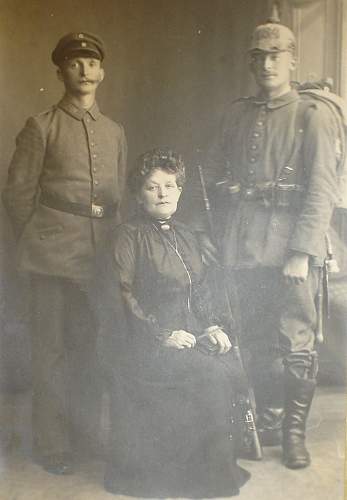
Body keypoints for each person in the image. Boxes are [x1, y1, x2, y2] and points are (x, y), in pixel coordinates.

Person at [198, 16, 339, 469]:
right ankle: (268, 420)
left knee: (296, 343)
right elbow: (211, 176)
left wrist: (301, 251)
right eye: (258, 57)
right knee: (253, 338)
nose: (266, 65)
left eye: (275, 56)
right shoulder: (237, 114)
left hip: (291, 247)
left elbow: (322, 190)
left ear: (292, 60)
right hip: (242, 246)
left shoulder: (310, 115)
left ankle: (295, 436)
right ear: (250, 63)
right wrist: (214, 228)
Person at [2, 32, 127, 474]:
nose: (84, 70)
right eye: (74, 63)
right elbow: (17, 196)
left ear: (102, 72)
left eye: (92, 63)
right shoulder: (42, 126)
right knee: (50, 351)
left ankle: (87, 434)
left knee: (90, 348)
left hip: (98, 258)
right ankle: (52, 444)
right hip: (50, 257)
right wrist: (39, 240)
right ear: (60, 72)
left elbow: (119, 196)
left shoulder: (114, 132)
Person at [96, 148, 250, 498]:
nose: (163, 193)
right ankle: (194, 481)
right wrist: (161, 335)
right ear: (138, 194)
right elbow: (119, 297)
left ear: (180, 191)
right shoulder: (127, 236)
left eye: (170, 185)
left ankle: (203, 472)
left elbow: (200, 290)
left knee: (229, 366)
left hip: (189, 337)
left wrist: (211, 326)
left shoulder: (186, 235)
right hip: (142, 345)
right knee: (210, 375)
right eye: (152, 187)